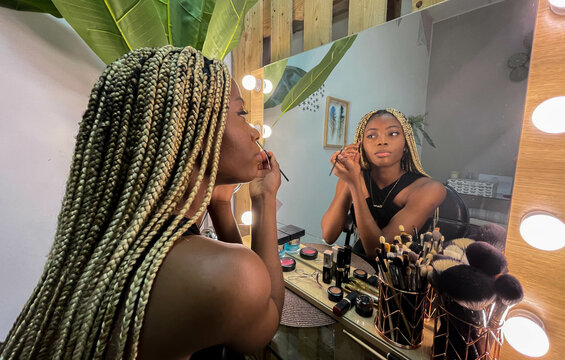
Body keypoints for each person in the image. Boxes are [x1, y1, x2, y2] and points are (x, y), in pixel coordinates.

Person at [0, 46, 283, 360]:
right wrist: (264, 199)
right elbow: (262, 328)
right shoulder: (232, 276)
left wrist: (219, 204)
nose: (255, 130)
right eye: (241, 113)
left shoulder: (112, 247)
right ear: (194, 129)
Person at [321, 108, 446, 258]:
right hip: (360, 265)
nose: (382, 141)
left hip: (403, 271)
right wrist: (350, 180)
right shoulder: (352, 177)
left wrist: (355, 184)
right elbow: (328, 235)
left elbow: (378, 253)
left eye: (393, 134)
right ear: (362, 146)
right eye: (371, 136)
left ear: (406, 144)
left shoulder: (429, 189)